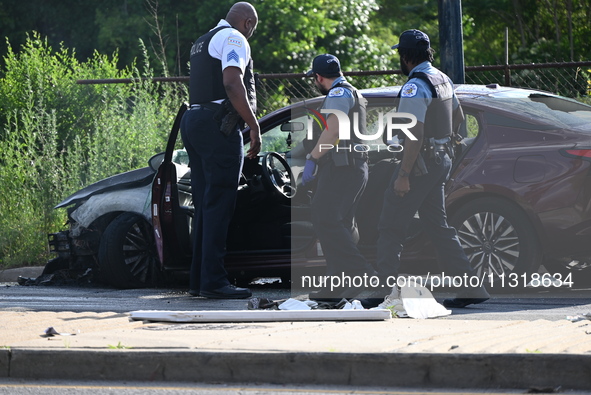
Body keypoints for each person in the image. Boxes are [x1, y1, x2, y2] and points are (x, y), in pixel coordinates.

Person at [375, 29, 489, 308]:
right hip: (439, 161)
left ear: (405, 56)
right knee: (438, 226)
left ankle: (380, 293)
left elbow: (414, 133)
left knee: (390, 225)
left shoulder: (415, 85)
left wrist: (403, 175)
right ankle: (471, 288)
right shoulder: (442, 78)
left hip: (419, 165)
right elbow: (458, 114)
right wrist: (448, 141)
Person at [180, 2, 261, 299]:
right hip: (218, 126)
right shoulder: (234, 39)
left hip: (194, 121)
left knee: (204, 203)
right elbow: (231, 81)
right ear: (248, 22)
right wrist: (253, 124)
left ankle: (199, 280)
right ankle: (214, 281)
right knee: (219, 204)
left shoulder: (202, 41)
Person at [302, 54, 376, 300]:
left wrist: (312, 159)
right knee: (339, 224)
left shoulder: (337, 94)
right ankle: (336, 286)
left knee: (326, 220)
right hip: (353, 168)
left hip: (343, 168)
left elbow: (334, 129)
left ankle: (362, 273)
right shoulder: (353, 91)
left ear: (318, 77)